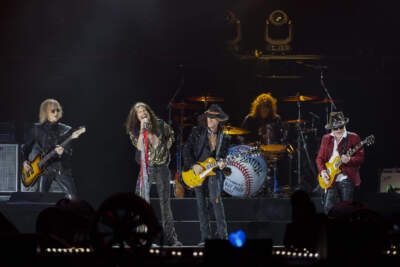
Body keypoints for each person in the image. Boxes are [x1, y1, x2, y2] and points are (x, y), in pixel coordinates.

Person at [126, 102, 181, 246]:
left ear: (149, 112)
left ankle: (172, 239)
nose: (143, 113)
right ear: (137, 117)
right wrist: (142, 131)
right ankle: (143, 238)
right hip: (147, 167)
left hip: (162, 167)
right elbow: (139, 147)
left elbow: (172, 135)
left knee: (165, 204)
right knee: (141, 201)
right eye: (139, 112)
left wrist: (168, 146)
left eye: (144, 110)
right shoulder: (134, 131)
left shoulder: (161, 124)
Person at [183, 104, 230, 245]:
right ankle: (205, 239)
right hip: (198, 172)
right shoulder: (197, 132)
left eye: (213, 118)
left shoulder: (224, 137)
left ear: (219, 120)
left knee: (216, 203)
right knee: (201, 205)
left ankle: (223, 237)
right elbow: (186, 150)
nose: (209, 120)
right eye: (208, 117)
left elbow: (222, 157)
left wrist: (222, 164)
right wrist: (194, 165)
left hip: (213, 173)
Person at [22, 99, 78, 199]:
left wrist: (62, 152)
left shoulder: (66, 129)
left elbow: (70, 151)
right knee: (41, 199)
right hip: (44, 169)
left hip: (61, 169)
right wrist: (25, 160)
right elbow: (26, 147)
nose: (56, 113)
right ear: (45, 113)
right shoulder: (37, 129)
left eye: (58, 110)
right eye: (53, 111)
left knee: (73, 199)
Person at [316, 111, 364, 214]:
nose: (338, 130)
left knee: (346, 210)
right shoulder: (326, 138)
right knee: (328, 209)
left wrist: (350, 160)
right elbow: (319, 158)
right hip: (330, 178)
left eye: (341, 127)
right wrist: (323, 172)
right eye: (335, 128)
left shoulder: (353, 137)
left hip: (346, 178)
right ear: (331, 128)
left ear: (344, 125)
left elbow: (360, 158)